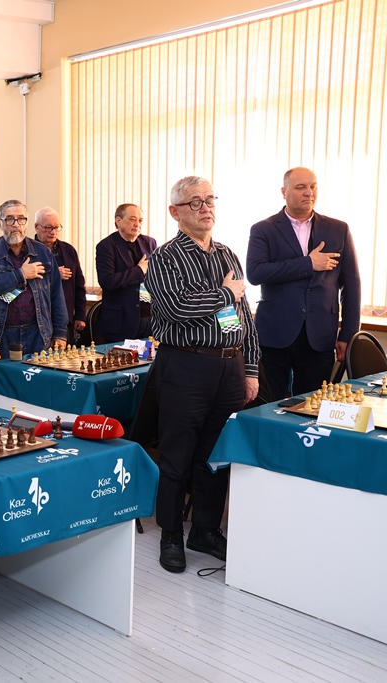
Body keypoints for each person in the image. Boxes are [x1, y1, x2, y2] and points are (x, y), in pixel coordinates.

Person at [144, 176, 260, 574]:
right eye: (195, 202)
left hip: (229, 366)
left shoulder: (228, 254)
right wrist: (225, 294)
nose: (206, 207)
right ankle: (171, 534)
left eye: (210, 199)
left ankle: (206, 530)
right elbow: (177, 308)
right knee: (178, 455)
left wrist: (250, 369)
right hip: (186, 365)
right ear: (175, 212)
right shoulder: (164, 257)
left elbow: (244, 317)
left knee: (216, 454)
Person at [246, 167, 361, 398]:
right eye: (301, 187)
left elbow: (352, 285)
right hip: (274, 333)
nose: (309, 192)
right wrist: (308, 263)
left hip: (319, 335)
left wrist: (348, 333)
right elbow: (255, 273)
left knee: (312, 405)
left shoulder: (338, 229)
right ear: (284, 192)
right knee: (268, 403)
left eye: (313, 186)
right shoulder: (263, 229)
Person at [0, 199, 68, 355]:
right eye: (9, 219)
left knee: (37, 370)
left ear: (26, 223)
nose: (16, 225)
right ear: (0, 224)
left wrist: (60, 333)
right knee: (5, 371)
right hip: (2, 333)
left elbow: (56, 294)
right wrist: (21, 274)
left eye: (21, 219)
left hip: (38, 331)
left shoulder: (43, 252)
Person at [95, 203, 157, 342]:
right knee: (123, 356)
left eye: (140, 220)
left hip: (149, 318)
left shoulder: (150, 243)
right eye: (132, 219)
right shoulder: (106, 246)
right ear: (118, 221)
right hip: (122, 321)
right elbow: (107, 281)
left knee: (149, 356)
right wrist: (139, 270)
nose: (137, 224)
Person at [34, 207, 86, 345]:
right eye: (48, 228)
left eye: (56, 227)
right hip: (39, 318)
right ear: (36, 227)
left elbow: (79, 284)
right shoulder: (29, 250)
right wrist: (54, 273)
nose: (53, 232)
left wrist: (80, 315)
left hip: (65, 317)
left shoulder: (68, 250)